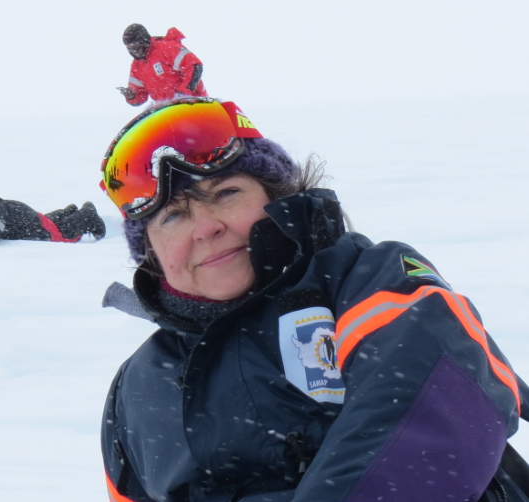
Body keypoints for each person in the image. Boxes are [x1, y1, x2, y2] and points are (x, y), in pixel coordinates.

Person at [98, 98, 529, 502]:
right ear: (152, 252)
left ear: (276, 196)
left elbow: (435, 409)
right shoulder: (134, 390)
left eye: (226, 193)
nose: (205, 227)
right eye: (173, 216)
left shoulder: (372, 281)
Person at [117, 24, 207, 107]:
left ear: (145, 42)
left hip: (192, 104)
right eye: (130, 49)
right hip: (167, 111)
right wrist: (132, 95)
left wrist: (182, 94)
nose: (135, 52)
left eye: (136, 47)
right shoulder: (136, 66)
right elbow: (140, 95)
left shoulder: (167, 48)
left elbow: (194, 66)